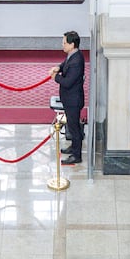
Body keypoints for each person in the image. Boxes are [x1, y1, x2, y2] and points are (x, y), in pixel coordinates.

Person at [53, 31, 85, 165]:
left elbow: (68, 82)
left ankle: (76, 155)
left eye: (64, 43)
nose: (63, 45)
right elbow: (65, 64)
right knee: (72, 126)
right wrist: (58, 67)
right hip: (69, 99)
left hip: (73, 100)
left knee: (74, 128)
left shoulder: (77, 60)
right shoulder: (73, 55)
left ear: (72, 44)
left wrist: (55, 77)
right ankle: (73, 147)